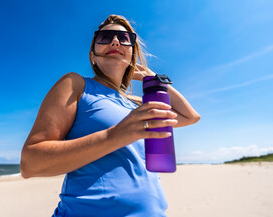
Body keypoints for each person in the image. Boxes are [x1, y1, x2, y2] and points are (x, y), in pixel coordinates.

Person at [20, 14, 200, 217]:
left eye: (124, 39)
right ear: (92, 56)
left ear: (132, 54)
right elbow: (30, 164)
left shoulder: (137, 103)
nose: (115, 41)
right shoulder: (77, 85)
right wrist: (114, 136)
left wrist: (151, 78)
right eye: (105, 37)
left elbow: (190, 116)